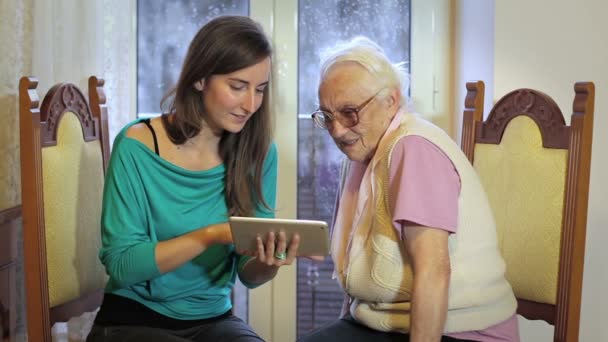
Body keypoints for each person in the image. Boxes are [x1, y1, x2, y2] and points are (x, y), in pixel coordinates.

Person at [87, 16, 299, 342]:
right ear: (200, 79)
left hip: (214, 320)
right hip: (133, 319)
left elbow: (250, 275)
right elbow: (122, 265)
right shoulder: (137, 145)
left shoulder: (258, 153)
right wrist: (212, 234)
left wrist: (269, 260)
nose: (251, 104)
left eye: (260, 89)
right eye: (238, 86)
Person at [298, 37, 519, 342]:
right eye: (327, 116)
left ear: (390, 100)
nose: (336, 130)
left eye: (350, 112)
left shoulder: (413, 148)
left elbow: (434, 270)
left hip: (461, 333)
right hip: (385, 323)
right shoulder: (365, 150)